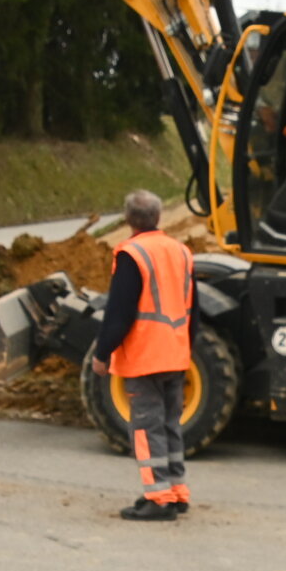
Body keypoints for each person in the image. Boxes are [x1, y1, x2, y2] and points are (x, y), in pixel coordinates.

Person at [89, 189, 198, 522]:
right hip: (176, 354)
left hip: (146, 356)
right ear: (159, 217)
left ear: (127, 220)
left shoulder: (132, 254)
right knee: (170, 425)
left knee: (146, 428)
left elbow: (118, 312)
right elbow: (194, 308)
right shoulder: (181, 252)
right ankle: (177, 492)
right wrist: (186, 348)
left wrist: (102, 352)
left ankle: (157, 498)